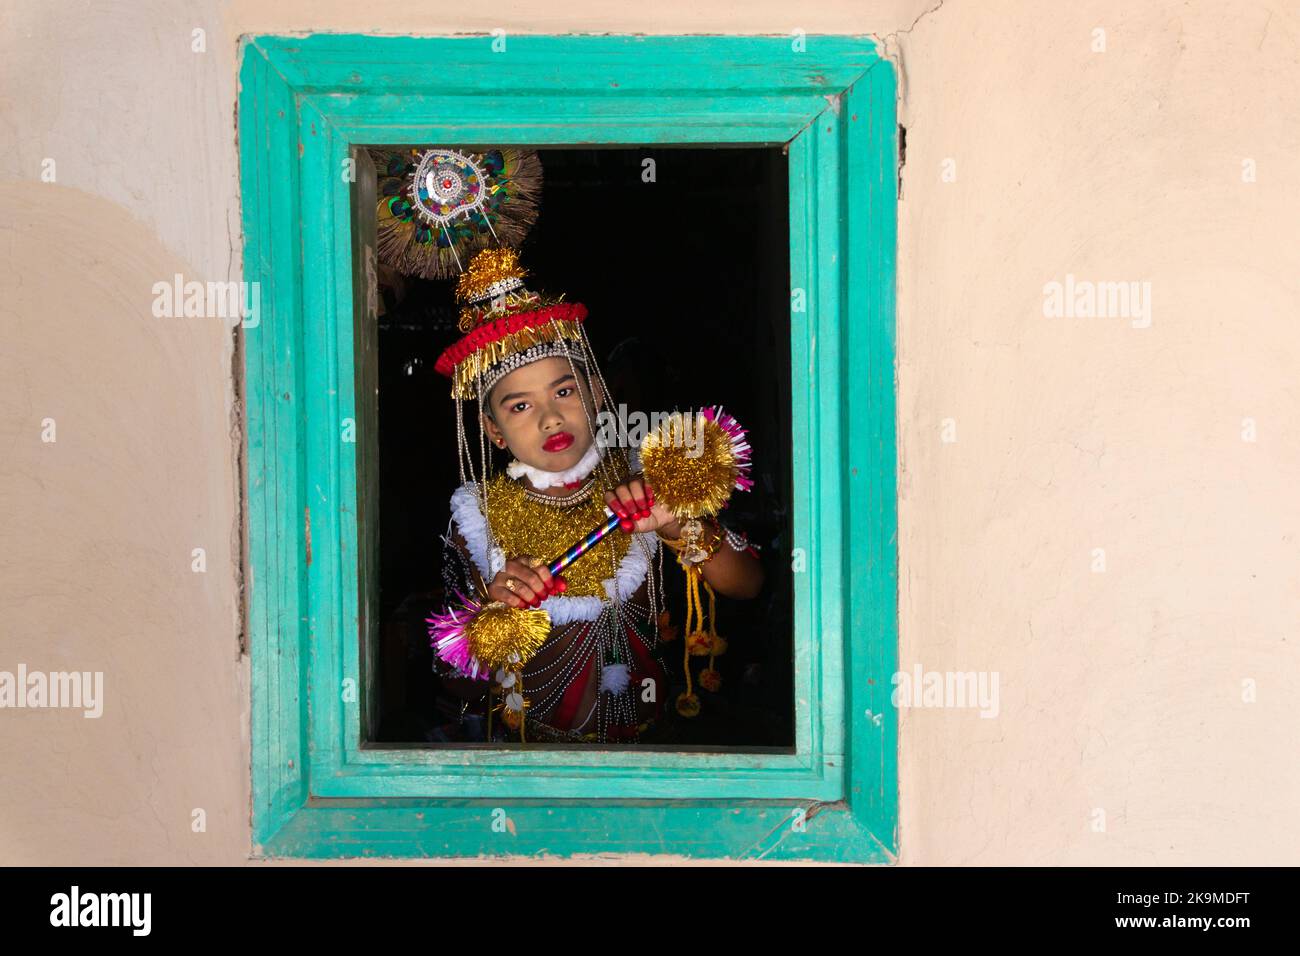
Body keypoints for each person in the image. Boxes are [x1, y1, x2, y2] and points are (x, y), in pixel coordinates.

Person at [432, 247, 763, 744]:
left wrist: (677, 526)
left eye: (563, 392)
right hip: (535, 767)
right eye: (519, 405)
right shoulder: (476, 518)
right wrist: (493, 614)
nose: (549, 417)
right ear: (493, 430)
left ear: (595, 392)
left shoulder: (648, 479)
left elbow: (750, 584)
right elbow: (452, 680)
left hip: (654, 747)